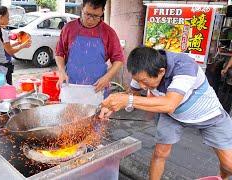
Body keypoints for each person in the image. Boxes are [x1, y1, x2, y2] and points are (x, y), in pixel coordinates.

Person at [99, 47, 232, 180]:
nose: (142, 86)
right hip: (172, 115)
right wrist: (112, 105)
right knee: (159, 153)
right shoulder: (142, 72)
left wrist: (128, 100)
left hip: (208, 114)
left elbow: (169, 104)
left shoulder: (184, 66)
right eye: (138, 80)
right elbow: (132, 94)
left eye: (145, 81)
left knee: (228, 164)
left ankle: (222, 177)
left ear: (161, 71)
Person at [55, 0, 124, 94]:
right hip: (71, 85)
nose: (91, 20)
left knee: (97, 109)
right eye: (87, 14)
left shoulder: (108, 32)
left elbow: (118, 59)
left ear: (102, 11)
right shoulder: (69, 28)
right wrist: (62, 72)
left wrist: (107, 77)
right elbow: (59, 53)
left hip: (97, 87)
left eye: (96, 16)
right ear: (82, 8)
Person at [0, 6, 32, 85]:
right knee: (6, 90)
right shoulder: (3, 32)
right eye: (7, 17)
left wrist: (18, 43)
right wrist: (23, 45)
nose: (8, 20)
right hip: (3, 66)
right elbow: (10, 51)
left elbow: (4, 48)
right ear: (0, 17)